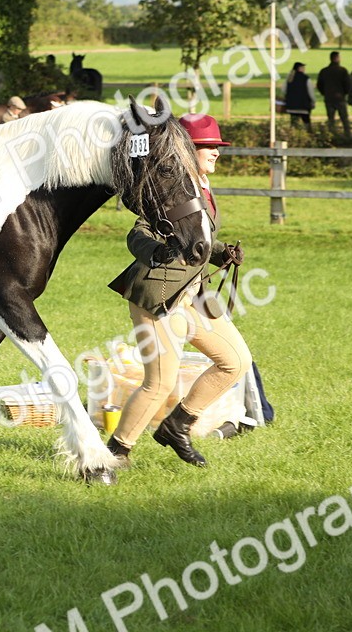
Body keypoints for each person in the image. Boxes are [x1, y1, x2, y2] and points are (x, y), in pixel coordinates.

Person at [105, 114, 252, 469]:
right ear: (186, 151)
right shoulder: (168, 185)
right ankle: (116, 452)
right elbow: (138, 232)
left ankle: (178, 425)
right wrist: (153, 251)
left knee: (235, 361)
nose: (216, 153)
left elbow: (196, 238)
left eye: (217, 147)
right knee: (160, 383)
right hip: (159, 298)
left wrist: (221, 252)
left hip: (193, 296)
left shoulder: (202, 187)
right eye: (209, 147)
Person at [316, 50, 352, 137]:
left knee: (331, 119)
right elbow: (347, 84)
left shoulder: (324, 71)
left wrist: (324, 93)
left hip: (329, 97)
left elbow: (319, 84)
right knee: (344, 118)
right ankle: (347, 135)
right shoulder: (343, 71)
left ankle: (332, 135)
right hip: (340, 97)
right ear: (338, 58)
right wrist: (345, 93)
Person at [281, 62, 315, 129]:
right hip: (303, 106)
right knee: (307, 124)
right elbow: (310, 92)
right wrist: (313, 101)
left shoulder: (289, 78)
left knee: (294, 124)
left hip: (291, 106)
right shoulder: (306, 78)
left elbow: (283, 90)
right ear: (300, 68)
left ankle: (293, 136)